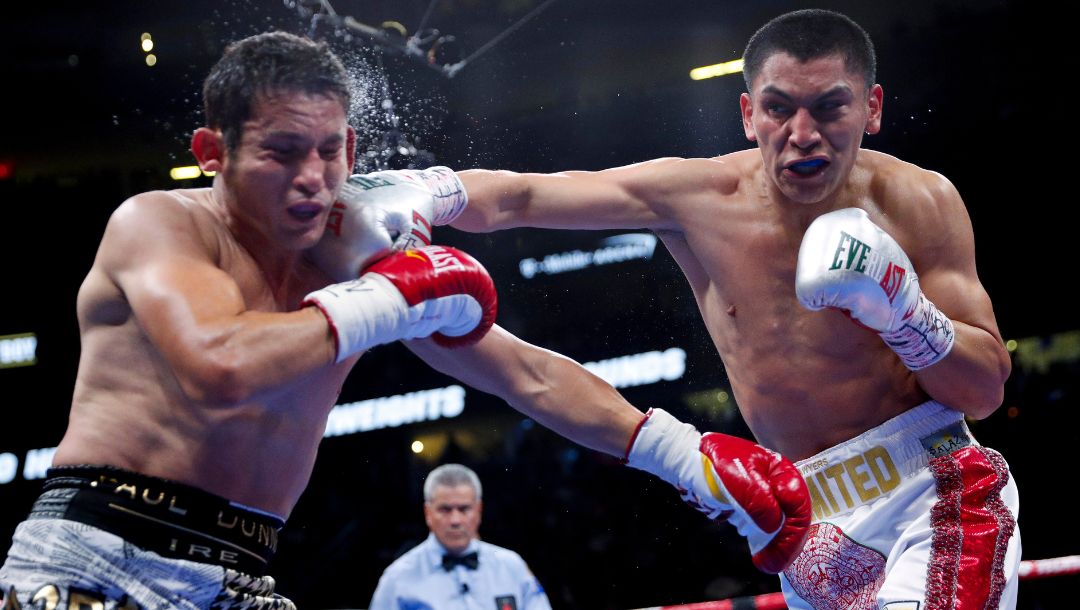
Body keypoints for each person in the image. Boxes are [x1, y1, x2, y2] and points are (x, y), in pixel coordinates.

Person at [0, 29, 810, 610]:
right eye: (281, 151)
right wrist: (391, 298)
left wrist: (683, 456)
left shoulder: (351, 257)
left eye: (329, 151)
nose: (312, 177)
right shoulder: (159, 225)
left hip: (242, 573)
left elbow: (524, 373)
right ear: (213, 152)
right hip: (101, 551)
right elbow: (221, 366)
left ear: (352, 149)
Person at [364, 8, 1021, 609]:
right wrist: (426, 190)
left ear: (871, 108)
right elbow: (526, 196)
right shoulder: (699, 198)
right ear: (748, 114)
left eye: (829, 108)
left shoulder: (920, 201)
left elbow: (984, 393)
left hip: (930, 494)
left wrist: (904, 310)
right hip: (801, 522)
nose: (802, 134)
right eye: (779, 108)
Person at [368, 464, 551, 610]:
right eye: (445, 509)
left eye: (464, 509)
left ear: (479, 510)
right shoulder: (397, 578)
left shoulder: (512, 566)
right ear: (428, 513)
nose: (455, 520)